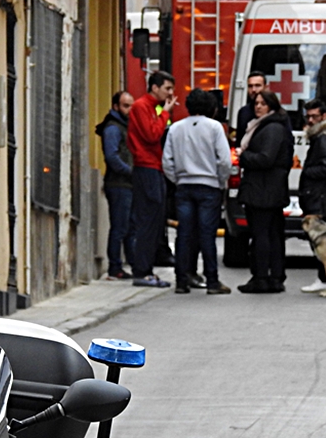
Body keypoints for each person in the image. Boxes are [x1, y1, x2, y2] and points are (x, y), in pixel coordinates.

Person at [162, 89, 232, 295]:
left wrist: (178, 179)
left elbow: (167, 161)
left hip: (184, 186)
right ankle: (212, 281)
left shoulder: (175, 129)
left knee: (184, 234)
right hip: (209, 186)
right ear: (211, 107)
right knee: (206, 235)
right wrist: (219, 181)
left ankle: (181, 281)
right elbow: (225, 161)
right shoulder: (214, 127)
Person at [236, 90, 294, 293]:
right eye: (256, 103)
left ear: (272, 106)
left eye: (263, 103)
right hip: (268, 190)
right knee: (272, 234)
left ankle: (262, 277)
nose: (258, 106)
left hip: (263, 191)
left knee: (262, 234)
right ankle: (274, 276)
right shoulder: (268, 126)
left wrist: (243, 156)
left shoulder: (272, 128)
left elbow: (266, 158)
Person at [127, 71, 176, 288]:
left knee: (155, 221)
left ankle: (147, 268)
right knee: (148, 220)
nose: (170, 94)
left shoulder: (152, 107)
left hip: (155, 167)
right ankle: (142, 270)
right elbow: (151, 134)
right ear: (155, 88)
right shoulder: (141, 106)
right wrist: (165, 113)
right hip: (146, 167)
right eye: (167, 88)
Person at [298, 99, 326, 293]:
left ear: (323, 116)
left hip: (320, 197)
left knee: (321, 241)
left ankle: (323, 279)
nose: (310, 120)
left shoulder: (323, 138)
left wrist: (307, 171)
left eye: (314, 116)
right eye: (307, 116)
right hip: (321, 195)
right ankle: (323, 279)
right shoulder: (322, 135)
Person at [96, 91, 136, 279]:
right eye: (126, 106)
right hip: (118, 183)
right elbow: (112, 156)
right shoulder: (113, 128)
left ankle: (131, 265)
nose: (129, 109)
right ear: (115, 107)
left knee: (128, 226)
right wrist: (129, 171)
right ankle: (114, 267)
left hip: (125, 183)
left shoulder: (124, 126)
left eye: (131, 105)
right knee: (120, 227)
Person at [234, 71, 267, 141]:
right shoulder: (243, 112)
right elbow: (239, 139)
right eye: (250, 86)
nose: (253, 90)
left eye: (257, 86)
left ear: (266, 87)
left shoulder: (276, 111)